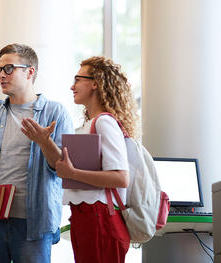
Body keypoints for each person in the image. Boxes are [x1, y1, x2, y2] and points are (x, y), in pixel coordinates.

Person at [0, 43, 74, 263]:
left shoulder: (55, 112)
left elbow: (63, 170)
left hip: (34, 223)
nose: (2, 75)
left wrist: (44, 142)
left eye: (9, 69)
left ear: (30, 72)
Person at [21, 56, 137, 262]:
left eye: (78, 79)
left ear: (96, 83)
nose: (72, 86)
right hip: (87, 215)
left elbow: (121, 178)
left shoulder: (104, 123)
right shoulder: (91, 124)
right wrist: (44, 142)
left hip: (99, 217)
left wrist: (73, 173)